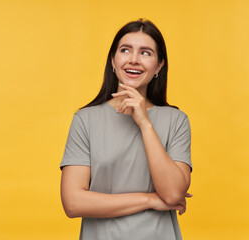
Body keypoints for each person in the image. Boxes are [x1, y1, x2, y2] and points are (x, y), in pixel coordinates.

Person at [60, 19, 192, 240]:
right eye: (125, 50)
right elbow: (73, 203)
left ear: (159, 66)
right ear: (113, 61)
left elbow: (172, 194)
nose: (134, 59)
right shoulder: (85, 120)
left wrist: (145, 123)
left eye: (146, 53)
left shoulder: (176, 121)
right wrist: (149, 200)